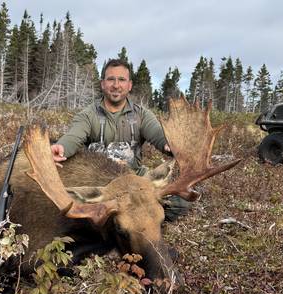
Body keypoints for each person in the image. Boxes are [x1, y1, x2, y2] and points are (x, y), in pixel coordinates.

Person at [51, 58, 189, 221]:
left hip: (135, 178)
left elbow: (157, 134)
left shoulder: (142, 115)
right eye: (111, 79)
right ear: (103, 84)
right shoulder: (88, 115)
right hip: (101, 183)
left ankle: (137, 220)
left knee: (180, 203)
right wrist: (61, 147)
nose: (116, 85)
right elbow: (73, 136)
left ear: (129, 85)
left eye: (122, 80)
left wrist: (169, 144)